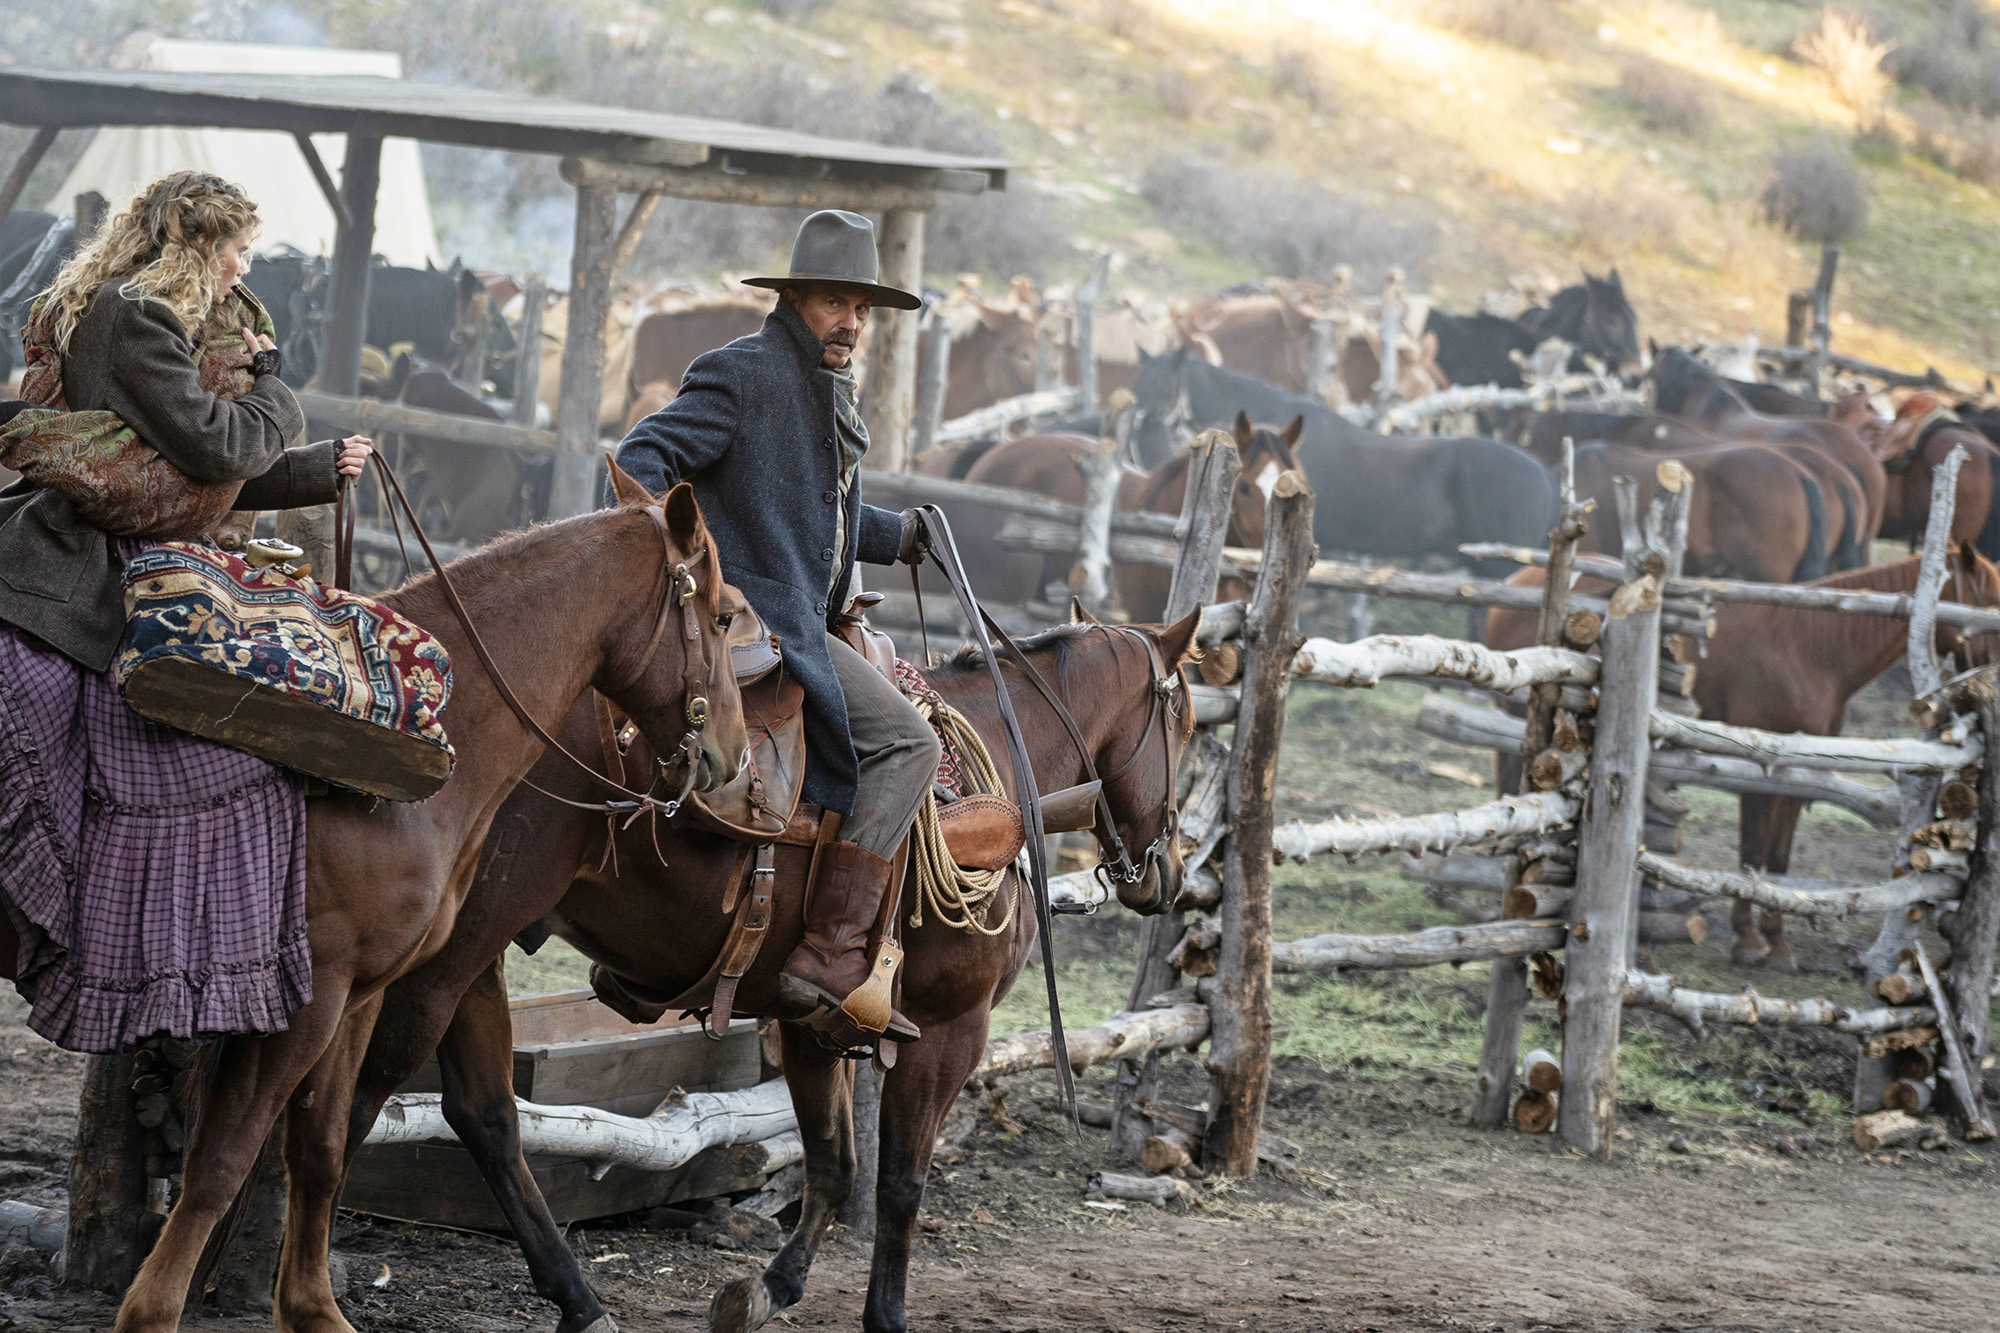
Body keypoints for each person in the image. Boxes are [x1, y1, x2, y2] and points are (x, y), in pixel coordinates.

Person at [0, 170, 372, 1052]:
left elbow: (186, 465)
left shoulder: (144, 318)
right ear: (201, 247)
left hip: (126, 548)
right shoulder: (134, 320)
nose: (244, 266)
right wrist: (281, 395)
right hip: (72, 563)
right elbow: (215, 442)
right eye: (237, 248)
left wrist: (320, 468)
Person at [616, 210, 940, 1051]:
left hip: (802, 611)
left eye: (863, 311)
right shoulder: (744, 373)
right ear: (795, 298)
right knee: (910, 745)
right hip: (766, 621)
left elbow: (811, 514)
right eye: (837, 303)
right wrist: (690, 575)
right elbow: (641, 460)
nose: (852, 324)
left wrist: (896, 532)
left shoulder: (824, 392)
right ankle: (832, 955)